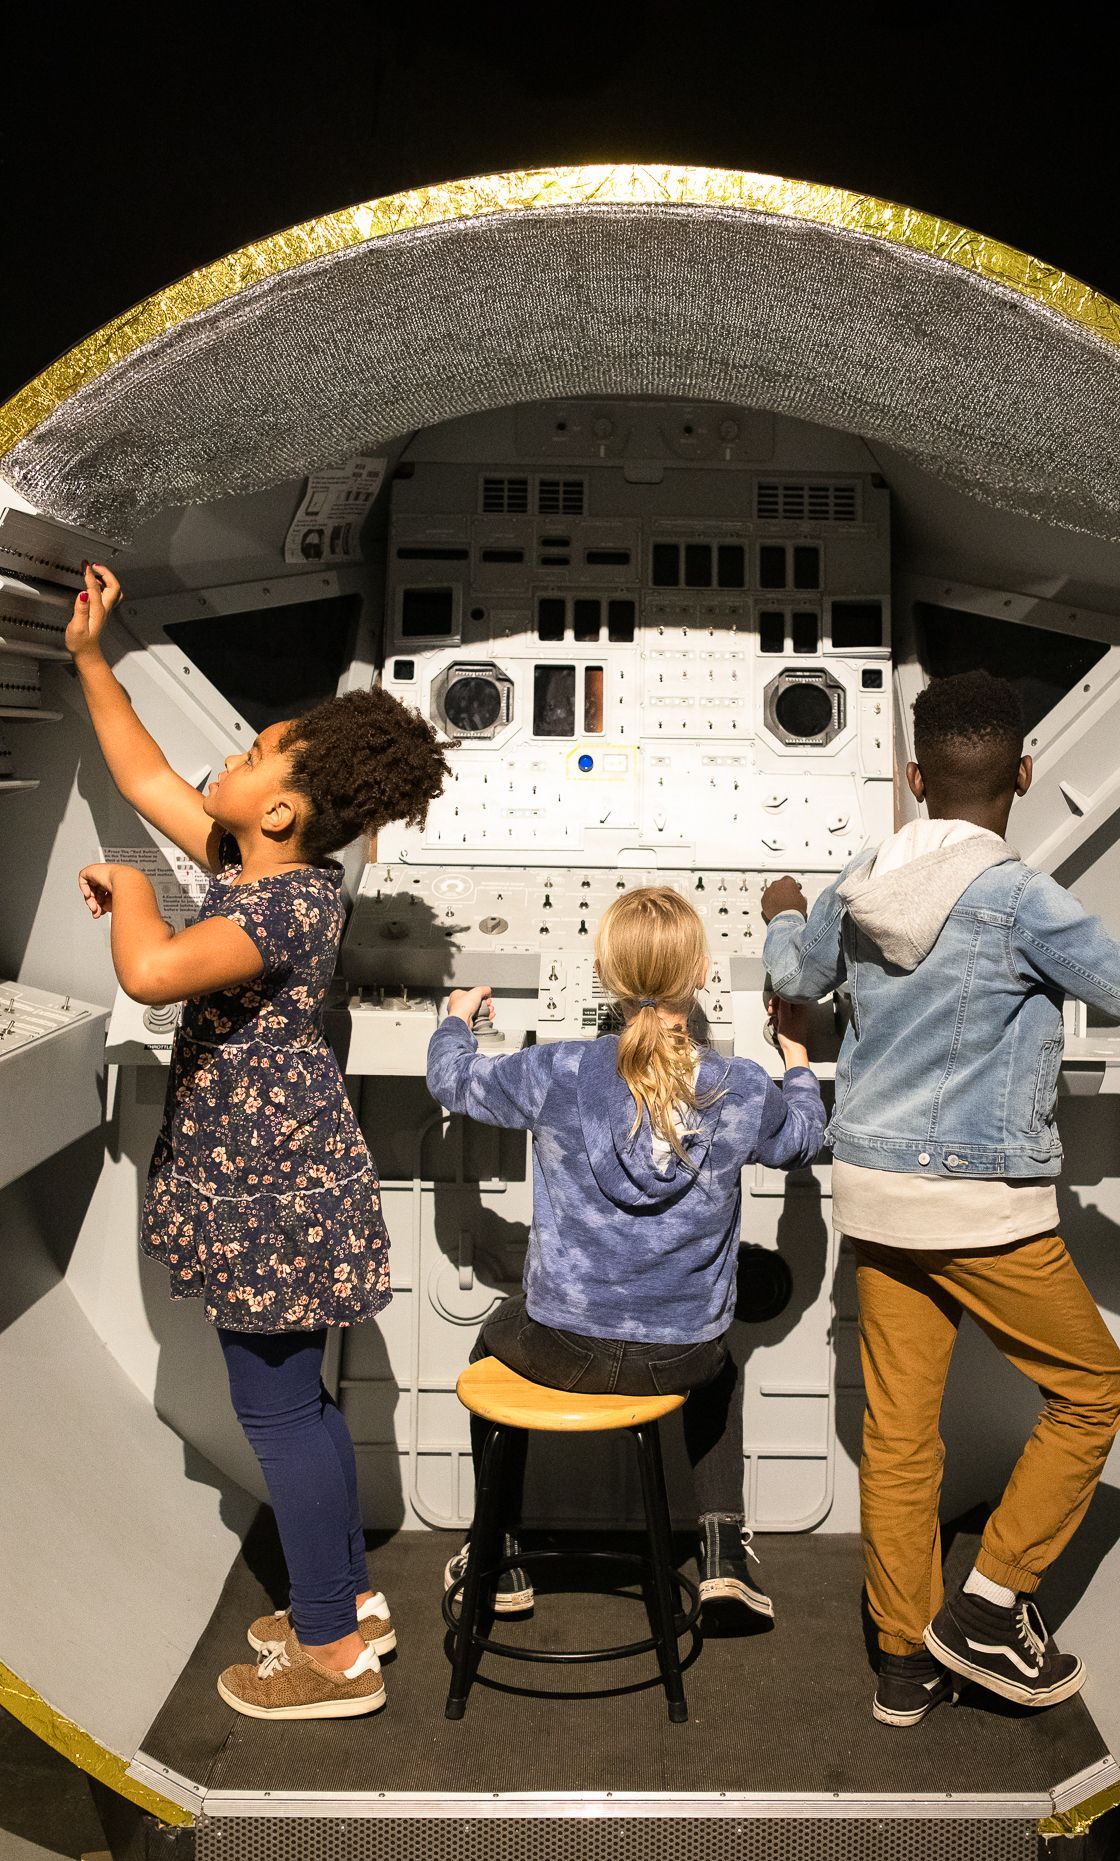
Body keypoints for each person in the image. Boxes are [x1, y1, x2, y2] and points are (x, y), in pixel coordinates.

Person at [762, 669, 1120, 1727]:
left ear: (913, 775)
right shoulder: (1019, 898)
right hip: (980, 1205)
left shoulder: (858, 877)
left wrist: (782, 908)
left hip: (875, 1196)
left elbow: (795, 973)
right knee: (1093, 1394)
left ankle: (902, 1660)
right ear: (1023, 773)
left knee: (897, 1434)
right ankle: (988, 1606)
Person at [68, 562, 449, 1721]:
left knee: (278, 1410)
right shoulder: (270, 872)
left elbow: (151, 971)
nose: (220, 768)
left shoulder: (278, 907)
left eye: (246, 758)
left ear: (278, 810)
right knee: (305, 1405)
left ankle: (332, 1652)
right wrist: (92, 657)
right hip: (284, 1190)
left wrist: (130, 888)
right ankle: (342, 1596)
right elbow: (140, 772)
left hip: (266, 1201)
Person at [426, 886, 825, 1624]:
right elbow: (803, 1137)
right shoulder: (738, 1087)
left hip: (562, 1347)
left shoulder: (554, 1071)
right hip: (682, 1357)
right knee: (718, 1364)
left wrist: (456, 1022)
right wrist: (795, 1056)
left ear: (603, 975)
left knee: (492, 1340)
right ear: (701, 971)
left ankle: (500, 1550)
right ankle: (721, 1553)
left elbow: (452, 1082)